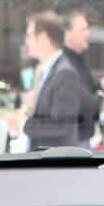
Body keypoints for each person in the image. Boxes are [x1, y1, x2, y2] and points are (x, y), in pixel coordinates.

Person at [21, 12, 82, 149]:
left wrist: (23, 124)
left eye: (29, 36)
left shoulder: (64, 73)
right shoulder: (47, 71)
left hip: (56, 158)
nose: (26, 41)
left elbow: (60, 124)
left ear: (43, 38)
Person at [63, 11, 104, 149]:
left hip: (81, 136)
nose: (88, 33)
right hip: (72, 140)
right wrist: (100, 99)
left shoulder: (78, 59)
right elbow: (80, 99)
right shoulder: (64, 63)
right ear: (68, 33)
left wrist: (101, 86)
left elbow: (87, 88)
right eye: (83, 30)